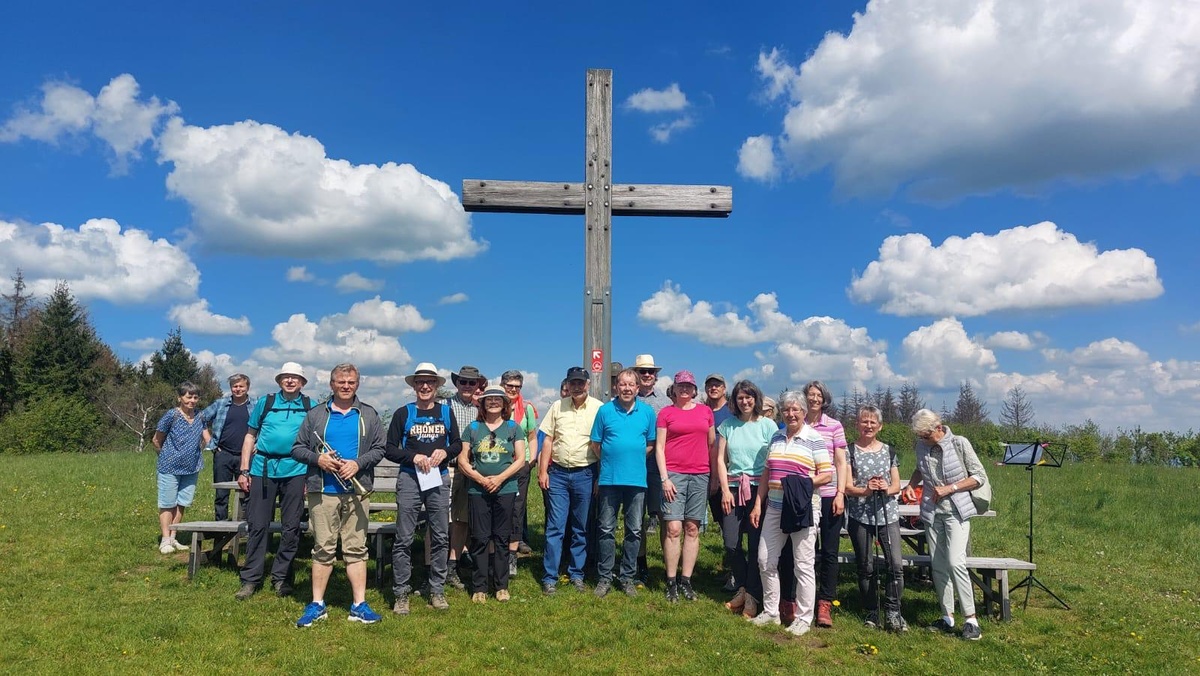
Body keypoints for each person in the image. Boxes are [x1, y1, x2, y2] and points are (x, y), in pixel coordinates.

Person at [291, 363, 387, 627]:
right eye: (341, 382)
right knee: (323, 548)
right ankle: (317, 604)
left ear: (357, 384)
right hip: (323, 491)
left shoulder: (367, 413)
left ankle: (358, 605)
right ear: (331, 384)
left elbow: (381, 447)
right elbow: (297, 448)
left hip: (356, 491)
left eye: (351, 382)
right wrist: (318, 459)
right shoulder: (315, 415)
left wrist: (358, 463)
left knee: (356, 548)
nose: (346, 386)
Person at [748, 389, 832, 636]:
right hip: (774, 507)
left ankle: (804, 618)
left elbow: (826, 474)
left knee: (803, 564)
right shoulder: (776, 436)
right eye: (786, 409)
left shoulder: (814, 438)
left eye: (796, 409)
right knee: (765, 559)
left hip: (802, 509)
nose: (791, 413)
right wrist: (757, 503)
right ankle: (771, 612)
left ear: (804, 412)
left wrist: (802, 483)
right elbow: (767, 473)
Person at [902, 409, 989, 641]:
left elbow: (979, 476)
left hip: (957, 512)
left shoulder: (960, 443)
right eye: (919, 436)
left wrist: (950, 488)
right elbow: (920, 469)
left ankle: (971, 619)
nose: (922, 440)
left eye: (925, 436)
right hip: (931, 513)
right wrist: (911, 484)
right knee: (938, 565)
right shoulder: (921, 446)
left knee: (955, 561)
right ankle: (946, 616)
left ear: (938, 428)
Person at [386, 362, 461, 614]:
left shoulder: (445, 412)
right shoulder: (403, 413)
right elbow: (390, 448)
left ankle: (436, 589)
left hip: (438, 478)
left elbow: (458, 444)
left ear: (437, 386)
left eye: (430, 382)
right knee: (404, 538)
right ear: (414, 386)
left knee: (440, 535)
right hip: (410, 479)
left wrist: (445, 451)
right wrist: (412, 456)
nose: (425, 386)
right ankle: (401, 592)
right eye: (420, 382)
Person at [235, 363, 313, 600]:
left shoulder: (309, 407)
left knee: (291, 528)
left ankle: (282, 578)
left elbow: (314, 443)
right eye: (286, 377)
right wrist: (244, 469)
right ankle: (250, 579)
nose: (290, 381)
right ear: (280, 381)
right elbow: (250, 436)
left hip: (296, 469)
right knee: (257, 525)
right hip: (263, 469)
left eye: (295, 378)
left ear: (302, 383)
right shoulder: (266, 403)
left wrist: (310, 475)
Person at [590, 368, 656, 598]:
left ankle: (628, 577)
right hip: (609, 479)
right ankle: (605, 577)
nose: (627, 388)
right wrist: (611, 459)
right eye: (622, 384)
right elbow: (596, 444)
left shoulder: (647, 413)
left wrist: (632, 457)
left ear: (638, 388)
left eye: (631, 385)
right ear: (616, 387)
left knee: (635, 530)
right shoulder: (605, 411)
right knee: (606, 529)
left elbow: (650, 445)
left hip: (637, 481)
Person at [715, 380, 778, 619]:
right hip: (732, 487)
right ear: (735, 400)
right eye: (740, 397)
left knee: (754, 545)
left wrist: (760, 500)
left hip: (758, 489)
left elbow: (772, 461)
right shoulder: (727, 426)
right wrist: (723, 489)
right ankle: (742, 587)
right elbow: (720, 459)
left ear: (756, 399)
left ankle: (752, 596)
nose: (745, 401)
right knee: (731, 542)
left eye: (749, 397)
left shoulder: (768, 426)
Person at [458, 385, 526, 603]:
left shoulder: (513, 428)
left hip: (505, 488)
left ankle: (501, 586)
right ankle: (479, 586)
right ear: (483, 404)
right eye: (489, 400)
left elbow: (521, 459)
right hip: (478, 490)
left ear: (505, 404)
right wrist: (479, 478)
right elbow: (462, 459)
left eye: (498, 399)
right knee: (479, 537)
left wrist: (499, 479)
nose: (494, 402)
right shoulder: (473, 428)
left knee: (501, 537)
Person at [538, 366, 602, 595]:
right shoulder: (557, 406)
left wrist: (599, 477)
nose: (576, 386)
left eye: (580, 383)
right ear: (567, 384)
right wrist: (542, 471)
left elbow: (603, 444)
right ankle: (549, 577)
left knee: (581, 527)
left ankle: (577, 574)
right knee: (555, 527)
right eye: (572, 383)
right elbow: (548, 440)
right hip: (558, 475)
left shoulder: (598, 409)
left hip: (586, 473)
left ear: (588, 384)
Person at [655, 370, 716, 602]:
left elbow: (712, 445)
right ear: (674, 388)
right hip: (674, 475)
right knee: (673, 528)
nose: (685, 390)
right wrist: (664, 478)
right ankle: (671, 580)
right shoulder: (666, 413)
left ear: (694, 390)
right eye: (681, 386)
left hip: (700, 474)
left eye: (689, 386)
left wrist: (714, 477)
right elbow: (659, 447)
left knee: (692, 528)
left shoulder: (705, 412)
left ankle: (686, 580)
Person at [845, 405, 906, 631]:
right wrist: (866, 490)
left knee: (895, 564)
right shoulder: (848, 451)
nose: (868, 426)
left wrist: (885, 487)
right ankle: (872, 610)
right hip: (860, 516)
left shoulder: (889, 451)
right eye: (864, 422)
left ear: (880, 426)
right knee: (865, 566)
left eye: (872, 422)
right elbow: (847, 486)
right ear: (857, 425)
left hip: (887, 514)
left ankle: (893, 610)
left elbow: (897, 485)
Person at [804, 379, 849, 628]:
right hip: (805, 496)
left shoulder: (834, 426)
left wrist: (841, 493)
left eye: (818, 395)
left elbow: (840, 463)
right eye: (810, 394)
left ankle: (825, 603)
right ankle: (804, 599)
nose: (814, 399)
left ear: (824, 399)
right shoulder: (798, 423)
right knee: (805, 551)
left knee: (829, 551)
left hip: (830, 494)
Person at [153, 381, 210, 554]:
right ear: (180, 398)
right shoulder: (172, 415)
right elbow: (156, 439)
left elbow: (207, 437)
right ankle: (164, 539)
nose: (192, 400)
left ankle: (173, 537)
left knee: (182, 503)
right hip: (169, 467)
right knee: (167, 502)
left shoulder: (200, 416)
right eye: (188, 397)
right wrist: (165, 456)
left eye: (195, 397)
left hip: (192, 467)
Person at [444, 365, 484, 591]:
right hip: (450, 468)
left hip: (474, 470)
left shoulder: (482, 408)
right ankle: (440, 565)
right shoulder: (444, 406)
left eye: (472, 382)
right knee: (443, 519)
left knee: (463, 520)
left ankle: (455, 562)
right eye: (463, 382)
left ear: (478, 385)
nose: (467, 386)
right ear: (456, 383)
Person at [632, 354, 667, 582]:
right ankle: (640, 563)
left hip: (658, 468)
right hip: (633, 468)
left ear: (655, 376)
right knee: (636, 519)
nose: (647, 375)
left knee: (666, 517)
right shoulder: (625, 399)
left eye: (650, 372)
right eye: (643, 372)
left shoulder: (665, 403)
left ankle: (668, 566)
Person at [499, 370, 539, 572]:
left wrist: (531, 460)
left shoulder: (527, 409)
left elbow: (532, 436)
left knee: (517, 508)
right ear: (502, 385)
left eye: (517, 386)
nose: (513, 389)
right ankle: (497, 551)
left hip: (520, 465)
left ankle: (511, 555)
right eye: (509, 385)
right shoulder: (494, 404)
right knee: (498, 508)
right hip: (498, 465)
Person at [201, 373, 253, 521]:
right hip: (223, 453)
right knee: (221, 493)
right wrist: (209, 441)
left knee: (246, 492)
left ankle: (244, 527)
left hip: (247, 456)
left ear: (247, 387)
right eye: (234, 386)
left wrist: (258, 443)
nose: (238, 389)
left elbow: (265, 424)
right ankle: (221, 529)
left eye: (241, 386)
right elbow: (200, 418)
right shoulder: (221, 404)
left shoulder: (255, 404)